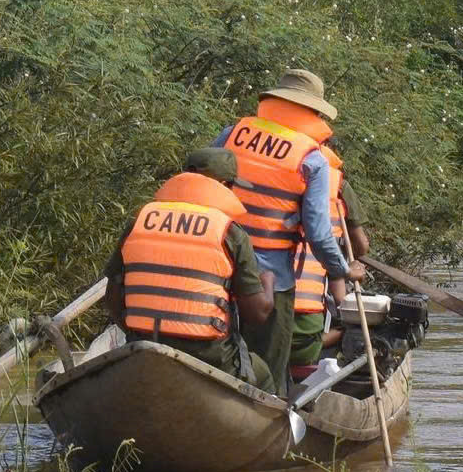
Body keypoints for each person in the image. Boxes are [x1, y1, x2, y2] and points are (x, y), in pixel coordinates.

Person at [214, 69, 365, 398]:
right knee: (270, 367)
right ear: (313, 113)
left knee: (218, 358)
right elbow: (318, 233)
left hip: (216, 268)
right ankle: (272, 414)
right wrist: (343, 269)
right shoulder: (311, 159)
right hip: (271, 280)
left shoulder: (230, 135)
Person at [104, 148, 274, 390]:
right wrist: (268, 282)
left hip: (144, 349)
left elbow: (112, 299)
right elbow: (256, 315)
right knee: (264, 376)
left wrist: (141, 331)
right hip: (210, 358)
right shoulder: (230, 232)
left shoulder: (140, 221)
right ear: (225, 185)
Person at [289, 150, 373, 379]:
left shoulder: (280, 179)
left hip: (275, 289)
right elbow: (361, 247)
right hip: (319, 288)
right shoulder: (338, 185)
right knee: (348, 320)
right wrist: (350, 266)